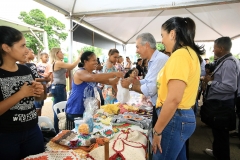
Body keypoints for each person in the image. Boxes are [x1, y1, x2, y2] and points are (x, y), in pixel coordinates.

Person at [152, 17, 205, 160]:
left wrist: (157, 131)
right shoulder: (189, 53)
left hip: (174, 118)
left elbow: (174, 99)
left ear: (172, 34)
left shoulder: (180, 55)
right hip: (180, 116)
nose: (162, 40)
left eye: (162, 35)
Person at [0, 26, 45, 159]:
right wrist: (21, 94)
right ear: (6, 48)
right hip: (6, 135)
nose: (26, 50)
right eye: (22, 46)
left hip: (32, 130)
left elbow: (37, 99)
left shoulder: (26, 70)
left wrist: (40, 91)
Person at [65, 51, 123, 129]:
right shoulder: (80, 72)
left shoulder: (93, 74)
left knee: (86, 133)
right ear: (85, 61)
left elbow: (110, 81)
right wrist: (114, 73)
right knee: (73, 137)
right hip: (75, 110)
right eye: (94, 60)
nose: (96, 62)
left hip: (87, 112)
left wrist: (118, 77)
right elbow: (92, 78)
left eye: (96, 60)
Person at [121, 32, 169, 127]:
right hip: (159, 106)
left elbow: (150, 89)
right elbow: (147, 81)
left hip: (163, 108)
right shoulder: (154, 60)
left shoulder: (159, 59)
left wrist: (130, 86)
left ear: (146, 45)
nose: (136, 51)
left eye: (138, 47)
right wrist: (132, 81)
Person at [203, 37, 239, 160]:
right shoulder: (225, 61)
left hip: (223, 104)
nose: (213, 50)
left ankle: (222, 156)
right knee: (218, 132)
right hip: (221, 102)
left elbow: (230, 87)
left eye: (215, 47)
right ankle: (217, 152)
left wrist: (210, 83)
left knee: (221, 134)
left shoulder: (229, 62)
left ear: (221, 48)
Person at [49, 47, 80, 133]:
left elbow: (69, 68)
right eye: (61, 52)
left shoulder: (58, 63)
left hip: (58, 86)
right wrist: (79, 57)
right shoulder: (58, 62)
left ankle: (57, 129)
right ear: (56, 54)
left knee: (58, 108)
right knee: (59, 109)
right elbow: (72, 66)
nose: (62, 53)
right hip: (58, 87)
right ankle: (57, 130)